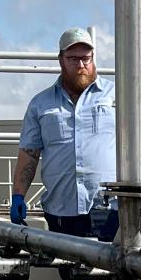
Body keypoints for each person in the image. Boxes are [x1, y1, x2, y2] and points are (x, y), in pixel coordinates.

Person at [11, 27, 118, 242]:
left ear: (92, 58)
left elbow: (139, 146)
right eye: (73, 59)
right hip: (62, 211)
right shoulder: (40, 104)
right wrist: (18, 196)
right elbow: (29, 154)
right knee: (70, 273)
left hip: (111, 209)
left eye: (85, 59)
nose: (81, 65)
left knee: (117, 274)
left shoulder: (116, 95)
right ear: (61, 60)